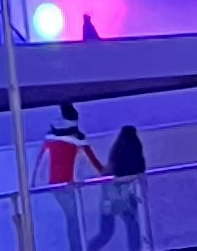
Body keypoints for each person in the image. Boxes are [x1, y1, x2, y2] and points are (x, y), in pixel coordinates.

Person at [41, 102, 105, 251]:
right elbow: (94, 163)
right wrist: (106, 174)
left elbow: (41, 163)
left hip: (53, 185)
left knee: (72, 219)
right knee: (74, 219)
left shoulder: (50, 139)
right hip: (68, 186)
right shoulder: (78, 141)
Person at [97, 121, 147, 251]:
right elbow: (140, 177)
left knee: (106, 232)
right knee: (132, 227)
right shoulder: (136, 157)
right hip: (123, 196)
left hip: (113, 196)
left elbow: (107, 175)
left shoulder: (115, 154)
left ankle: (89, 248)